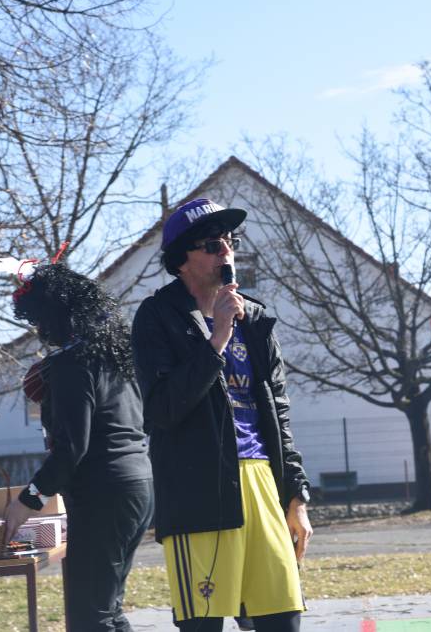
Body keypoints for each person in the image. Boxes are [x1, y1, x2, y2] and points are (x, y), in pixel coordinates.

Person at [132, 198, 311, 631]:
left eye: (230, 241)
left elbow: (279, 415)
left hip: (262, 483)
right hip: (199, 492)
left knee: (283, 620)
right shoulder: (157, 317)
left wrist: (296, 497)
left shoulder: (256, 319)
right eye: (213, 245)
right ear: (182, 260)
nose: (226, 252)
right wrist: (216, 341)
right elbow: (162, 409)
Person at [2, 263, 153, 631]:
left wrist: (27, 501)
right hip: (139, 485)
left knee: (90, 617)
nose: (39, 330)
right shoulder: (117, 359)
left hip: (105, 493)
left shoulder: (71, 364)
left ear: (54, 315)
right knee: (108, 610)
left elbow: (72, 447)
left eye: (39, 320)